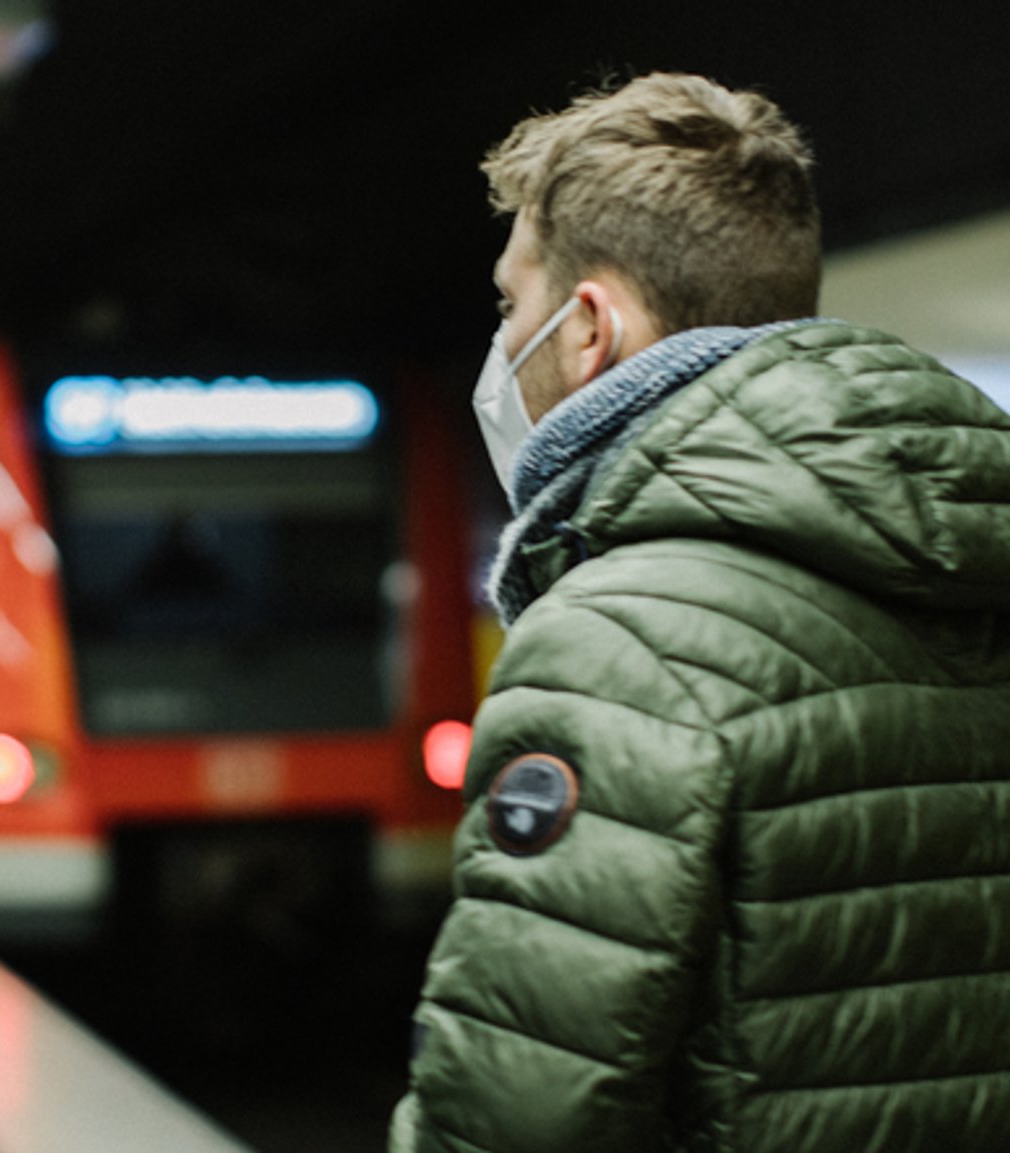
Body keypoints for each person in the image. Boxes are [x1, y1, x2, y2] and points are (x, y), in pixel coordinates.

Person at [390, 73, 1010, 1152]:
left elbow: (518, 1106)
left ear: (588, 327)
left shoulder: (616, 641)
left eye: (509, 305)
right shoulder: (974, 562)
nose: (503, 346)